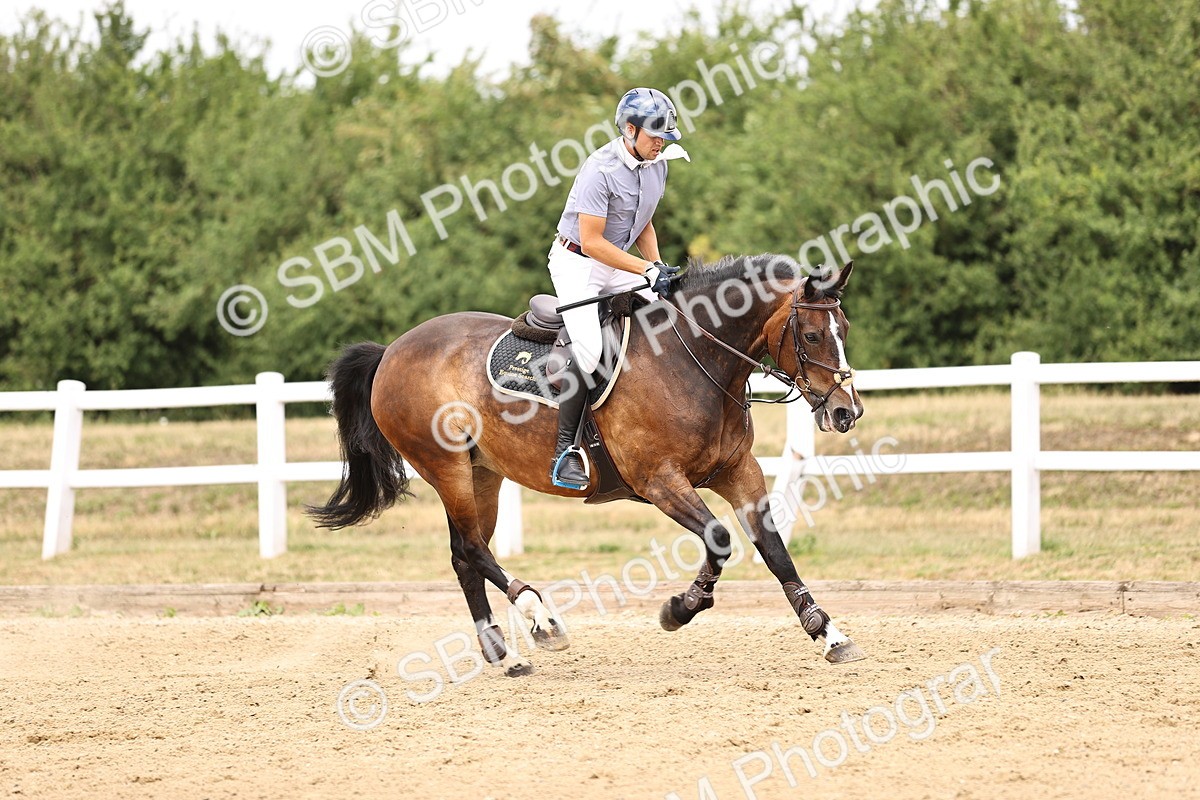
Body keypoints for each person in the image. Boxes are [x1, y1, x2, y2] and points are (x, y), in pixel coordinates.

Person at [547, 87, 690, 490]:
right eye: (655, 135)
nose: (661, 143)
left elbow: (643, 221)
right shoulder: (600, 170)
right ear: (630, 130)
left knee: (674, 309)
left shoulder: (657, 163)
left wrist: (657, 268)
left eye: (666, 136)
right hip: (578, 262)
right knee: (590, 352)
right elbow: (592, 242)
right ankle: (564, 452)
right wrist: (645, 270)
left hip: (619, 260)